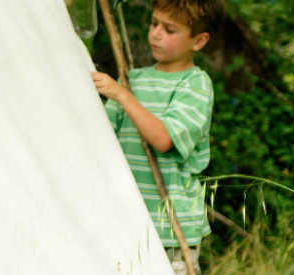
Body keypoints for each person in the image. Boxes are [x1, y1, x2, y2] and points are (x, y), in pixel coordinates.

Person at [91, 0, 225, 274]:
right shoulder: (132, 80)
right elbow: (101, 138)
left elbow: (164, 139)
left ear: (198, 41)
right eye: (154, 23)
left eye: (170, 29)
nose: (156, 34)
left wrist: (122, 95)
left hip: (170, 231)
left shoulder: (195, 84)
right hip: (126, 220)